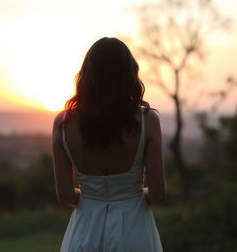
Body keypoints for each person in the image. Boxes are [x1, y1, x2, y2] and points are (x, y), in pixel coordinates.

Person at [52, 37, 166, 252]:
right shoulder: (147, 120)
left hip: (84, 232)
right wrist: (128, 195)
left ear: (87, 74)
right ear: (129, 73)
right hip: (135, 230)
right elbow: (158, 193)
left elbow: (65, 196)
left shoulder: (63, 123)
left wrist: (92, 196)